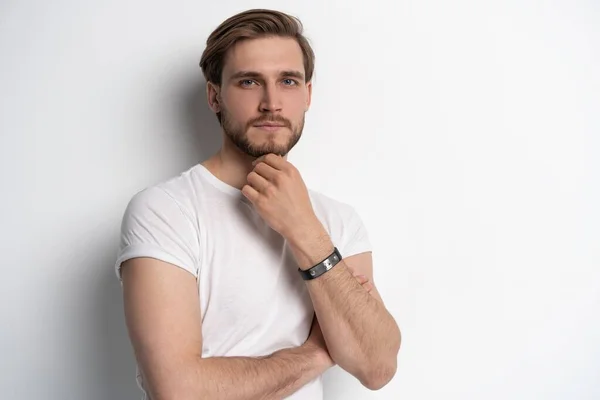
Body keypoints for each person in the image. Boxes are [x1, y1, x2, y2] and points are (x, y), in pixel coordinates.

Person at [115, 8, 401, 400]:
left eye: (288, 81)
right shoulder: (165, 211)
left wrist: (304, 230)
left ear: (308, 95)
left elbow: (376, 366)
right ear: (215, 96)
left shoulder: (338, 221)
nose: (272, 102)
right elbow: (177, 391)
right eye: (249, 82)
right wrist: (318, 354)